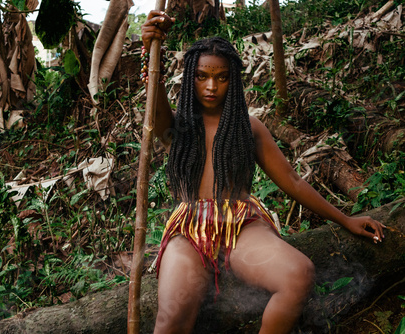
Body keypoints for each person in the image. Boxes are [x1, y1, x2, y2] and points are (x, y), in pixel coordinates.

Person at [141, 11, 386, 334]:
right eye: (202, 76)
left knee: (298, 274)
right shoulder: (178, 126)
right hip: (189, 232)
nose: (211, 86)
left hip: (241, 227)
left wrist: (345, 218)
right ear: (190, 79)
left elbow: (293, 180)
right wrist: (151, 48)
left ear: (233, 80)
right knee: (172, 317)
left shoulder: (249, 128)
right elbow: (156, 112)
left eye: (222, 77)